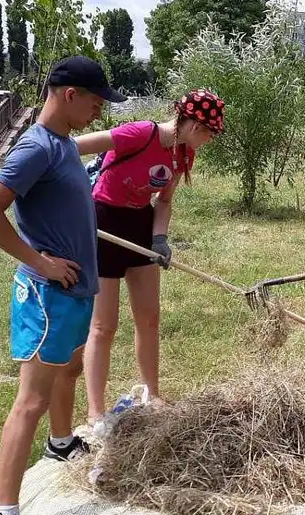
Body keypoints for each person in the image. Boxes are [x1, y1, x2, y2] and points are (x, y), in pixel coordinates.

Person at [0, 56, 127, 515]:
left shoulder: (62, 144)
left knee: (70, 368)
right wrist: (40, 262)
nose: (99, 113)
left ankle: (61, 443)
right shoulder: (35, 148)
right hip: (47, 295)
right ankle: (5, 512)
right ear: (69, 95)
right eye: (96, 103)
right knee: (31, 399)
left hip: (75, 290)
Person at [74, 89, 224, 424]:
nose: (210, 139)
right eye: (209, 132)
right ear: (194, 124)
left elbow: (165, 201)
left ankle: (151, 393)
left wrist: (159, 239)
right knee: (103, 325)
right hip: (103, 223)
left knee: (149, 318)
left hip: (139, 226)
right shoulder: (140, 134)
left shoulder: (184, 155)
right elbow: (72, 147)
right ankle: (96, 413)